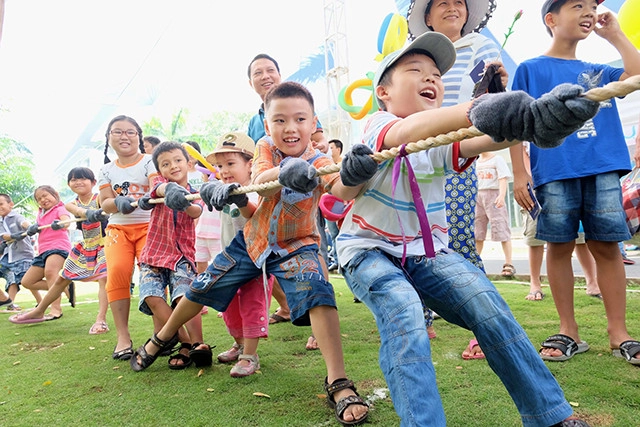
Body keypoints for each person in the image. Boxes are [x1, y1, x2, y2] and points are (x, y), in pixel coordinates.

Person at [333, 30, 599, 426]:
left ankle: (549, 415)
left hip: (426, 253)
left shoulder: (439, 138)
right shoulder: (378, 125)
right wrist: (480, 106)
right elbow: (407, 133)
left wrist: (536, 121)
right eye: (416, 70)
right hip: (368, 251)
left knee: (488, 305)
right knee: (404, 311)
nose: (431, 79)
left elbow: (485, 139)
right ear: (383, 92)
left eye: (437, 75)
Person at [130, 82, 369, 426]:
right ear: (268, 124)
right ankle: (162, 337)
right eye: (280, 120)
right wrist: (286, 172)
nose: (290, 128)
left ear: (313, 122)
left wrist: (355, 174)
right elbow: (261, 176)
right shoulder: (265, 147)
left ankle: (338, 380)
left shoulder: (318, 158)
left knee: (320, 292)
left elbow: (342, 189)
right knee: (200, 287)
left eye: (300, 119)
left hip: (297, 243)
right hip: (251, 240)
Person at [509, 0, 640, 365]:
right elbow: (515, 125)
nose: (587, 11)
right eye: (577, 5)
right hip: (554, 168)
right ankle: (569, 329)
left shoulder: (597, 69)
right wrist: (521, 173)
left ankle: (620, 332)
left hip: (601, 166)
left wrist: (614, 34)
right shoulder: (530, 69)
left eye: (592, 5)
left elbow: (636, 73)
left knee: (607, 247)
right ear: (551, 19)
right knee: (559, 246)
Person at [407, 0, 502, 352]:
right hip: (416, 155)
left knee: (459, 236)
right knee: (412, 238)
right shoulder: (415, 57)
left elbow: (495, 100)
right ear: (427, 16)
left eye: (458, 2)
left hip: (458, 152)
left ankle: (485, 323)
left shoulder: (483, 47)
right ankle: (420, 317)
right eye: (442, 3)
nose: (452, 7)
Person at [246, 53, 321, 351]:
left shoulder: (301, 101)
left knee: (313, 261)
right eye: (257, 72)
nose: (265, 76)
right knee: (263, 263)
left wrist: (348, 172)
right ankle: (288, 307)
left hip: (302, 216)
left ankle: (315, 323)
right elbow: (259, 178)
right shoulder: (257, 127)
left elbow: (331, 170)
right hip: (262, 220)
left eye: (270, 70)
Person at [132, 141, 211, 370]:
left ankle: (198, 343)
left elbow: (196, 211)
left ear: (189, 163)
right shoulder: (159, 185)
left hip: (182, 256)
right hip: (153, 254)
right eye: (165, 164)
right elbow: (158, 189)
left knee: (183, 298)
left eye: (178, 160)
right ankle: (184, 341)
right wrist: (170, 190)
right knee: (151, 296)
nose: (173, 166)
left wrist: (183, 200)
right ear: (160, 170)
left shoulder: (196, 193)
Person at [9, 168, 111, 333]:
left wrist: (102, 212)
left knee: (103, 280)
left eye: (83, 179)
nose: (78, 182)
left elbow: (68, 220)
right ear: (69, 185)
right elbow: (76, 212)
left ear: (93, 182)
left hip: (105, 244)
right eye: (73, 180)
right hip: (86, 246)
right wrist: (88, 213)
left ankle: (101, 320)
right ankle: (39, 310)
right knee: (61, 279)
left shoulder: (100, 198)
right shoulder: (72, 204)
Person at [208, 131, 274, 377]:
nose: (224, 170)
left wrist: (241, 199)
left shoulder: (258, 189)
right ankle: (239, 344)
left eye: (231, 164)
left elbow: (254, 214)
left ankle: (250, 355)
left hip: (255, 262)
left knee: (251, 305)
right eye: (220, 166)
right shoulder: (221, 190)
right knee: (230, 308)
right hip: (228, 261)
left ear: (250, 164)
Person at [98, 115, 160, 361]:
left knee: (152, 274)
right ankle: (123, 337)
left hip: (149, 226)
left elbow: (156, 188)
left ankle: (160, 332)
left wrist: (148, 196)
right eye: (118, 132)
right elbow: (105, 203)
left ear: (139, 137)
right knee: (118, 272)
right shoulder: (106, 170)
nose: (124, 136)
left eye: (130, 132)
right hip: (118, 230)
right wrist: (117, 202)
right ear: (108, 138)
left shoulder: (150, 161)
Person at [19, 185, 73, 319]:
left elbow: (67, 221)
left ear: (55, 194)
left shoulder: (60, 208)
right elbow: (31, 226)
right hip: (42, 251)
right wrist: (32, 228)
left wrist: (60, 223)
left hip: (58, 247)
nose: (43, 200)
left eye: (45, 195)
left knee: (50, 273)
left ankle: (56, 309)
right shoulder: (40, 213)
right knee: (27, 281)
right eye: (39, 198)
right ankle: (63, 286)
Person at [474, 151, 515, 277]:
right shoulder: (475, 162)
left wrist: (502, 196)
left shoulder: (497, 159)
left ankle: (508, 263)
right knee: (478, 232)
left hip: (494, 195)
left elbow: (503, 178)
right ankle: (475, 261)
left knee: (501, 228)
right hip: (478, 196)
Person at [0, 193, 36, 312]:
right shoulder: (0, 221)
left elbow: (24, 223)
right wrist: (12, 236)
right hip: (7, 256)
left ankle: (10, 303)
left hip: (22, 255)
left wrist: (30, 228)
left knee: (26, 280)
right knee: (15, 279)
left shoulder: (16, 216)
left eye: (1, 204)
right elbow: (3, 236)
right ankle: (8, 302)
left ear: (11, 204)